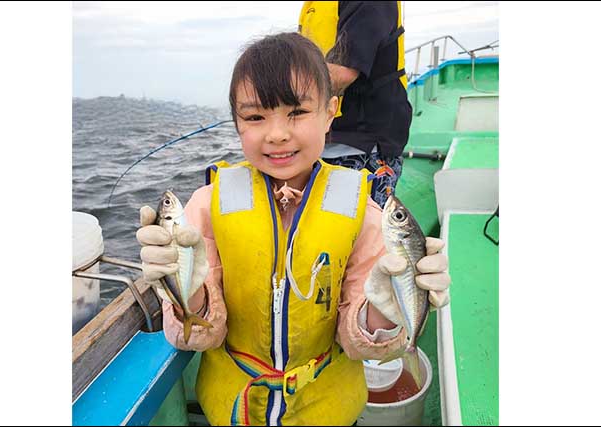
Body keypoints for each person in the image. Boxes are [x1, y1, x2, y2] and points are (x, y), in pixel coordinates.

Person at [136, 33, 449, 426]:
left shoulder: (363, 212)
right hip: (236, 411)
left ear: (331, 111)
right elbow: (199, 335)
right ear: (236, 123)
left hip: (328, 409)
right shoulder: (205, 206)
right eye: (255, 117)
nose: (277, 134)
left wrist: (385, 313)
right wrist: (187, 289)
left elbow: (359, 343)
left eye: (297, 112)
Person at [298, 1, 412, 207]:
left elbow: (343, 71)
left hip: (362, 144)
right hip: (319, 139)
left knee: (362, 230)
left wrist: (276, 97)